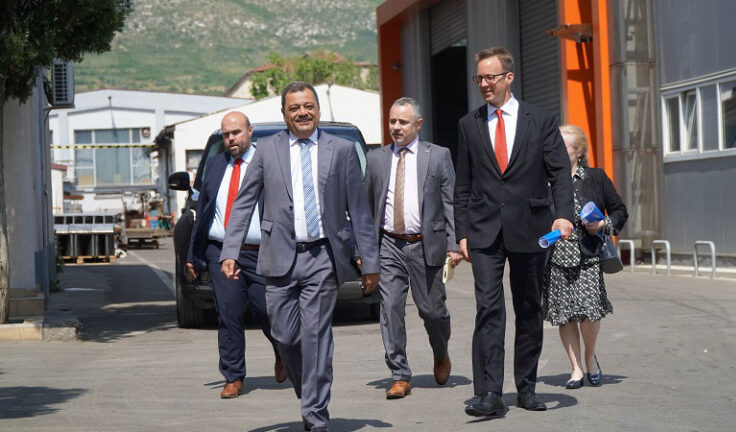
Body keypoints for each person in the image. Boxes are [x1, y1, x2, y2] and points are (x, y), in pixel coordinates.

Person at [219, 82, 380, 432]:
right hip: (279, 257)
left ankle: (315, 415)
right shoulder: (267, 150)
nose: (302, 113)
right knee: (285, 337)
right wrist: (230, 250)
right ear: (284, 114)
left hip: (322, 257)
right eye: (294, 108)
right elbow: (244, 202)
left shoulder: (341, 150)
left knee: (316, 339)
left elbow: (359, 210)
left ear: (318, 109)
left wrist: (369, 261)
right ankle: (308, 391)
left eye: (308, 106)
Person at [455, 46, 575, 417]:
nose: (484, 84)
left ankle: (526, 388)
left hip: (531, 228)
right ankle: (489, 392)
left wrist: (563, 216)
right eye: (479, 78)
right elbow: (463, 184)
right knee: (488, 309)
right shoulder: (469, 124)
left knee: (528, 309)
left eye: (490, 77)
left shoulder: (540, 120)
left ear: (509, 78)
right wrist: (461, 232)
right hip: (484, 232)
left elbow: (559, 173)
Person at [363, 97, 463, 399]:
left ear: (418, 124)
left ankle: (441, 352)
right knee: (390, 309)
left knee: (433, 312)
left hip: (425, 245)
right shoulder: (376, 159)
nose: (396, 127)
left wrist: (454, 244)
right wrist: (364, 251)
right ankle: (399, 374)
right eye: (392, 121)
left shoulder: (438, 156)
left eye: (402, 122)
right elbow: (366, 208)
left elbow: (450, 203)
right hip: (389, 245)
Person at [186, 111, 284, 398]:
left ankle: (283, 353)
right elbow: (203, 211)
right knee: (229, 315)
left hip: (260, 252)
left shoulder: (267, 163)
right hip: (221, 250)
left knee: (268, 312)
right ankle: (233, 377)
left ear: (250, 132)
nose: (231, 139)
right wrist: (194, 254)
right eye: (226, 134)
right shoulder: (216, 165)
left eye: (236, 133)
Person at [543, 124, 628, 389]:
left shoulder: (595, 177)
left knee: (591, 312)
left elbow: (619, 210)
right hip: (556, 257)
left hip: (588, 255)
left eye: (563, 146)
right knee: (565, 314)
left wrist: (602, 224)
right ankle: (576, 368)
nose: (556, 151)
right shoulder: (543, 180)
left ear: (578, 152)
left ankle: (590, 358)